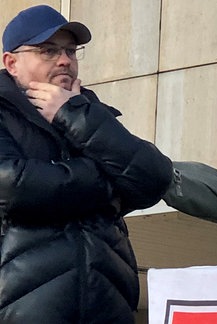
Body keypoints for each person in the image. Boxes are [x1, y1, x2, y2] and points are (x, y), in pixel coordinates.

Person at [0, 5, 173, 323]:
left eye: (70, 50)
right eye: (48, 51)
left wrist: (75, 114)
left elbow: (156, 178)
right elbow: (14, 187)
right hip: (22, 308)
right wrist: (109, 182)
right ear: (11, 62)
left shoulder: (93, 114)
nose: (64, 59)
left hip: (108, 305)